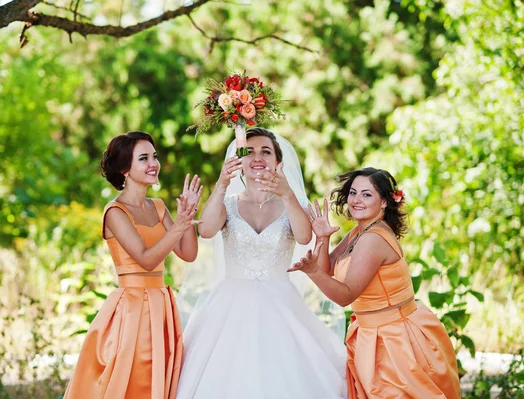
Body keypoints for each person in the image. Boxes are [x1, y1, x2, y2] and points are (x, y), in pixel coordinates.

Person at [176, 128, 347, 399]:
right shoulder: (228, 203)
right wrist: (221, 184)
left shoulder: (293, 201)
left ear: (278, 162)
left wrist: (288, 194)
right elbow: (206, 231)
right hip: (228, 305)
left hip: (281, 303)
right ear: (238, 161)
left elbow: (304, 237)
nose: (257, 157)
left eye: (265, 151)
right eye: (249, 151)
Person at [289, 167, 461, 399]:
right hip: (373, 333)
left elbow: (345, 295)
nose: (356, 200)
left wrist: (311, 271)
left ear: (384, 202)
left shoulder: (372, 239)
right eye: (353, 193)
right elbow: (328, 269)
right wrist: (323, 237)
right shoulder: (359, 232)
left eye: (366, 194)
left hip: (394, 340)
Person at [64, 131, 203, 399]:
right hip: (132, 308)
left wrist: (188, 215)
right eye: (144, 158)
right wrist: (181, 226)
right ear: (125, 169)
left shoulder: (159, 207)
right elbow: (146, 259)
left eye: (154, 156)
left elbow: (188, 252)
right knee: (132, 379)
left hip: (162, 305)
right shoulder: (115, 212)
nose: (154, 163)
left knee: (158, 381)